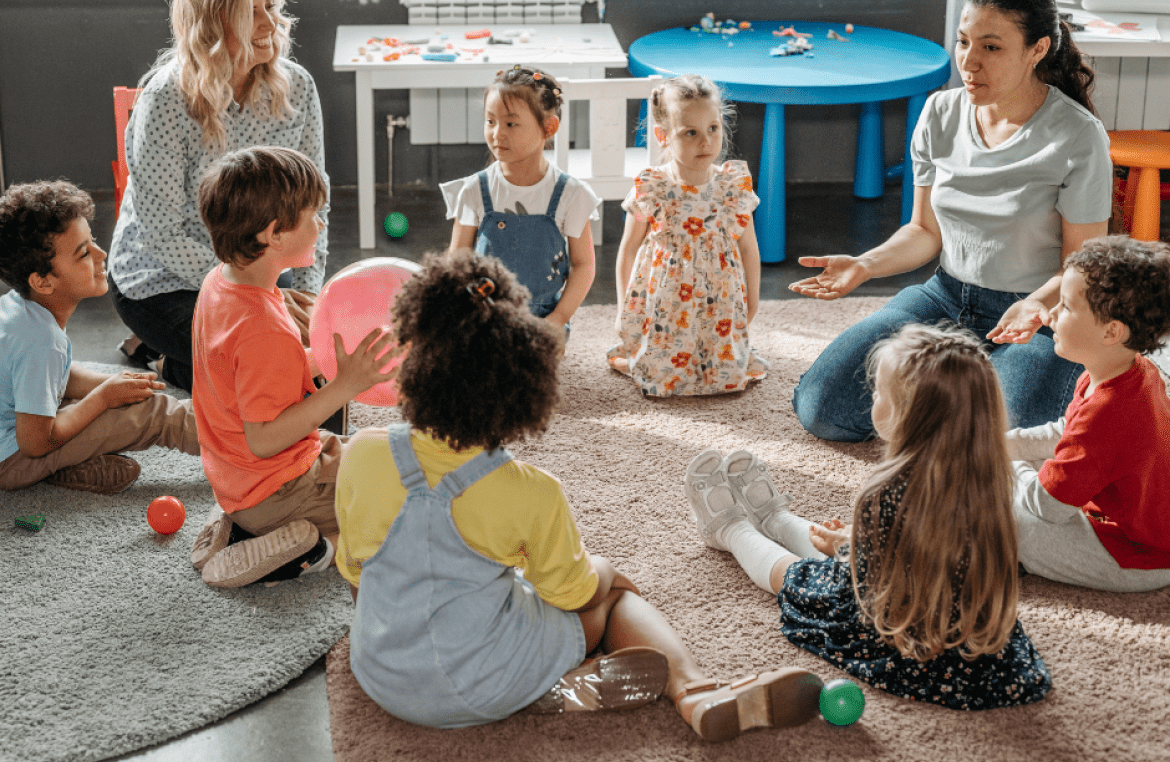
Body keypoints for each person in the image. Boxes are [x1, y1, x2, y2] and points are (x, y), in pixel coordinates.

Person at [335, 250, 824, 741]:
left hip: (382, 675)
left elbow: (357, 572)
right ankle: (695, 692)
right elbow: (573, 594)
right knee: (610, 598)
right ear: (523, 391)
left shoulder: (362, 453)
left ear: (411, 361)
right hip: (484, 681)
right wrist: (607, 572)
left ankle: (540, 684)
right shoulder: (531, 491)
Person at [790, 0, 1111, 441]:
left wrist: (1036, 305)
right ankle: (961, 392)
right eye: (963, 42)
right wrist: (865, 264)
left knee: (1010, 441)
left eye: (992, 47)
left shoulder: (1078, 136)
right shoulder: (939, 113)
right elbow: (924, 231)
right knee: (822, 407)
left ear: (1037, 49)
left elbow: (1082, 267)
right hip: (946, 296)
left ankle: (963, 395)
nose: (968, 61)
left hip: (1037, 315)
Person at [686, 324, 1051, 710]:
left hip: (910, 634)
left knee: (799, 576)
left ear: (905, 415)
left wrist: (853, 546)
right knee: (835, 555)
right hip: (976, 641)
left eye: (878, 393)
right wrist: (854, 543)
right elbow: (926, 550)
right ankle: (775, 519)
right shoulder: (993, 477)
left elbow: (868, 580)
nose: (872, 396)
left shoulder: (887, 492)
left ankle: (731, 530)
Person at [187, 147, 397, 589]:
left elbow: (243, 379)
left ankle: (239, 526)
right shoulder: (263, 328)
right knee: (408, 508)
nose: (320, 225)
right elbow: (264, 440)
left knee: (380, 450)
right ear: (273, 235)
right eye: (312, 216)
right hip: (278, 487)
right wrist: (345, 386)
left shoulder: (221, 282)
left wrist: (318, 361)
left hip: (240, 478)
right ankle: (311, 549)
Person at [107, 0, 329, 391]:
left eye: (271, 6)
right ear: (210, 26)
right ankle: (162, 357)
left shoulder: (297, 86)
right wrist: (264, 295)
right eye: (251, 13)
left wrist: (308, 297)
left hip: (256, 265)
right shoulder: (165, 99)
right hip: (162, 281)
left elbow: (315, 207)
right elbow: (162, 236)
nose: (272, 23)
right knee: (265, 372)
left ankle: (173, 353)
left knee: (303, 356)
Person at [0, 181, 199, 494]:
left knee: (113, 394)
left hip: (14, 434)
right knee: (151, 413)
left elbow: (57, 375)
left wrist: (111, 384)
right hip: (11, 460)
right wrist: (104, 397)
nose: (101, 252)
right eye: (83, 253)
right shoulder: (42, 341)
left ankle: (70, 466)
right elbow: (36, 442)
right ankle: (250, 443)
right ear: (42, 281)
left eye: (92, 241)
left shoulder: (19, 306)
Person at [1008, 237, 1170, 591]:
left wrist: (1006, 467)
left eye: (1065, 307)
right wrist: (1002, 445)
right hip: (1133, 523)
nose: (1049, 314)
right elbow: (1068, 433)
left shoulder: (1109, 411)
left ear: (1112, 331)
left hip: (1135, 554)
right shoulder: (1128, 370)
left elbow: (1046, 508)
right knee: (1017, 470)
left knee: (1013, 520)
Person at [607, 74, 766, 397]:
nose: (705, 142)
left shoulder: (733, 187)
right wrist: (625, 308)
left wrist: (753, 300)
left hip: (719, 304)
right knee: (663, 375)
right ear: (663, 135)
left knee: (723, 374)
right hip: (667, 307)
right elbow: (628, 250)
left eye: (712, 129)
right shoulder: (651, 188)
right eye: (690, 133)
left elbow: (749, 248)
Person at [442, 66, 597, 337]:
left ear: (548, 127)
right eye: (490, 121)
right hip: (484, 317)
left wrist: (559, 318)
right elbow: (458, 259)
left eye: (511, 123)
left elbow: (583, 264)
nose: (497, 133)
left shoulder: (571, 194)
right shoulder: (474, 190)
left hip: (543, 321)